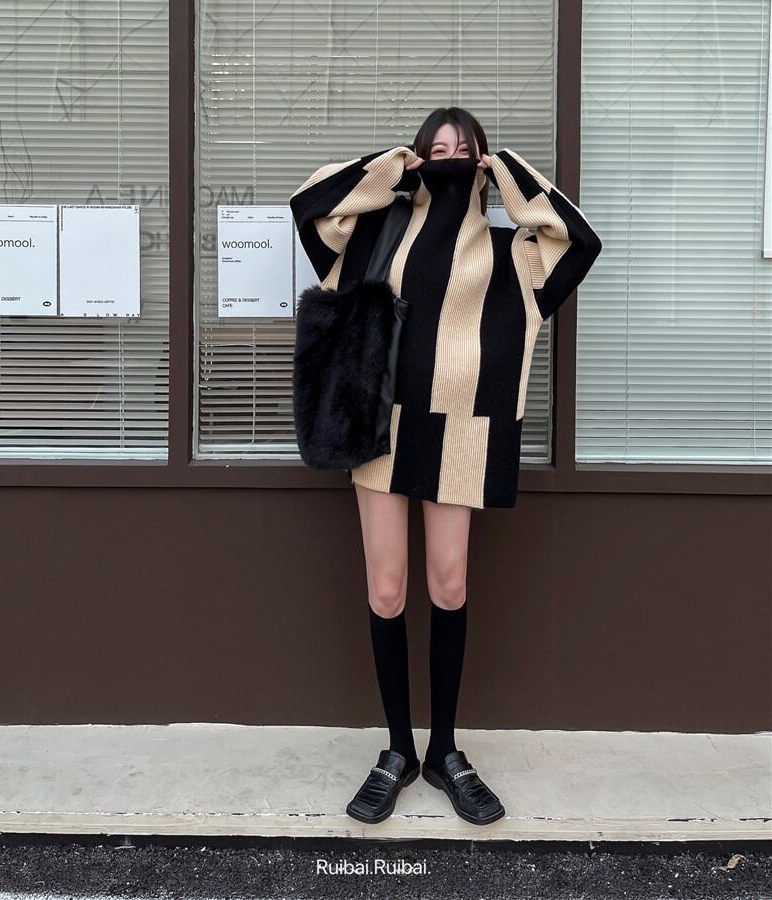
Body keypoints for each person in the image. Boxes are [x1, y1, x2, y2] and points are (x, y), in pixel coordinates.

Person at [288, 107, 603, 826]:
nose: (452, 157)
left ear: (483, 161)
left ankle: (445, 751)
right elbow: (311, 208)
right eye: (438, 148)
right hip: (380, 427)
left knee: (450, 584)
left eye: (466, 149)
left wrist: (510, 174)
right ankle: (397, 750)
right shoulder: (377, 233)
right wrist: (391, 167)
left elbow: (579, 241)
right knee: (387, 589)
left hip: (463, 432)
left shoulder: (514, 253)